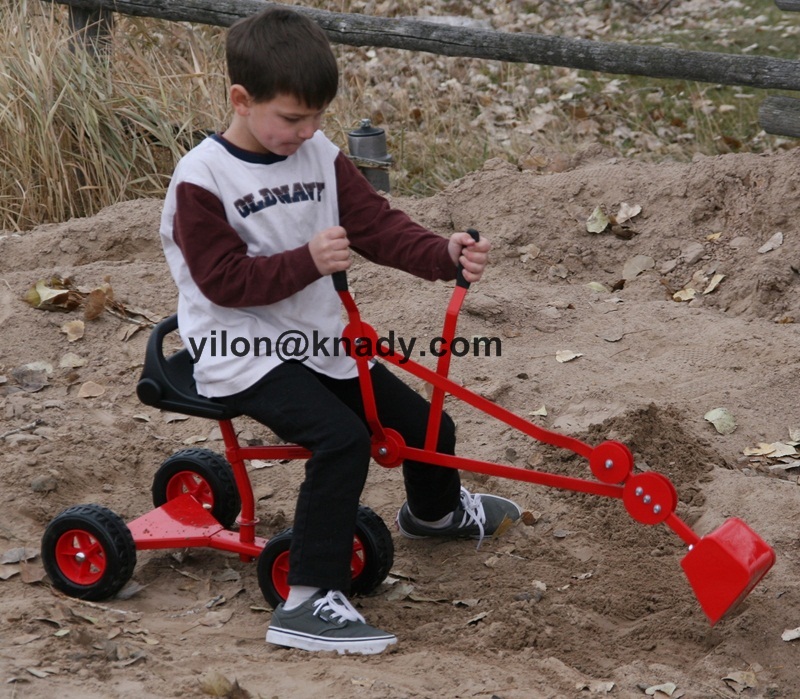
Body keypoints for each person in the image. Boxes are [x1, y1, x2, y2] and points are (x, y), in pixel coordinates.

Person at [159, 6, 521, 655]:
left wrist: (442, 253)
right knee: (343, 440)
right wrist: (306, 262)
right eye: (292, 118)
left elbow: (376, 225)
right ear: (242, 100)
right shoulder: (203, 180)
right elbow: (220, 281)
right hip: (240, 353)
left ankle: (434, 513)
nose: (307, 131)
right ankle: (306, 601)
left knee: (425, 422)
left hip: (317, 343)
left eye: (317, 117)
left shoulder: (318, 154)